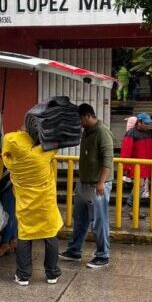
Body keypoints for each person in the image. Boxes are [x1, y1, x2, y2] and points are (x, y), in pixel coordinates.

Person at [2, 128, 62, 286]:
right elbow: (56, 141)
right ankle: (52, 274)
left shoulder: (11, 162)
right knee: (50, 236)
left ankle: (23, 276)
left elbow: (7, 145)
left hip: (25, 207)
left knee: (25, 237)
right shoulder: (42, 154)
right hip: (46, 205)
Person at [60, 103, 113, 268]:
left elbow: (108, 160)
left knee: (99, 220)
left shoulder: (102, 132)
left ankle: (103, 255)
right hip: (83, 183)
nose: (79, 123)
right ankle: (74, 250)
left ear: (88, 116)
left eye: (80, 119)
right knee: (80, 219)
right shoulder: (87, 131)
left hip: (97, 185)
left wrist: (101, 182)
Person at [120, 113, 152, 206]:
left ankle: (132, 207)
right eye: (146, 123)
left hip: (146, 164)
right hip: (137, 165)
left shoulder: (148, 133)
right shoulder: (131, 133)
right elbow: (126, 151)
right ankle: (130, 205)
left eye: (148, 124)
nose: (148, 126)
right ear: (139, 122)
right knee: (139, 185)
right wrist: (126, 167)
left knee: (140, 186)